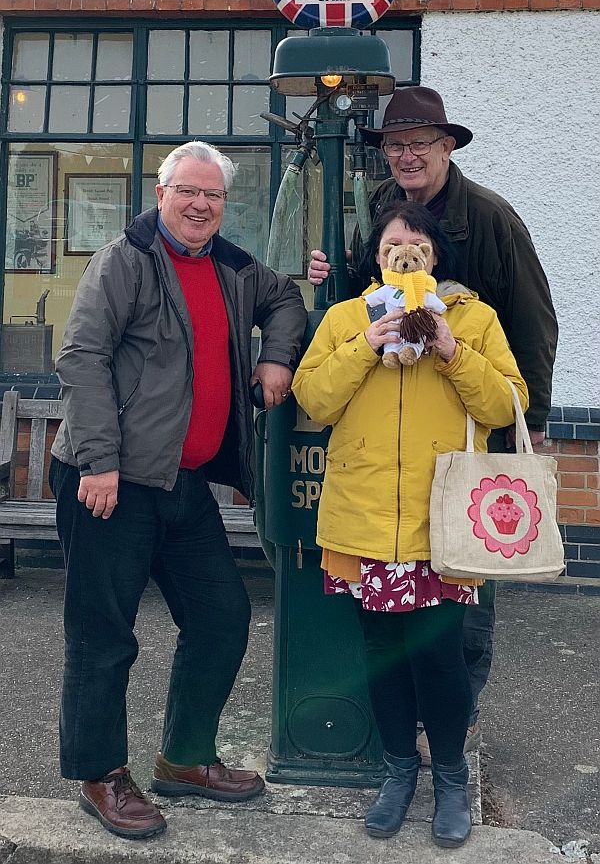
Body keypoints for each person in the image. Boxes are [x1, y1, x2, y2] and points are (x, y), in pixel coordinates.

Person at [49, 140, 307, 840]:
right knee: (104, 636)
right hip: (109, 480)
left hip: (181, 484)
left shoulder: (231, 266)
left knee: (222, 615)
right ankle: (100, 775)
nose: (199, 204)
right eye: (187, 191)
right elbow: (82, 355)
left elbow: (284, 296)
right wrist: (99, 459)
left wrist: (277, 354)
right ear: (161, 193)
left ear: (224, 204)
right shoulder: (125, 261)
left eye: (212, 195)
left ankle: (186, 758)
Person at [308, 86, 557, 761]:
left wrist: (524, 425)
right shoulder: (384, 219)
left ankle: (459, 722)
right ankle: (407, 730)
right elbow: (361, 307)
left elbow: (533, 324)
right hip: (389, 449)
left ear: (447, 147)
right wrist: (329, 275)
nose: (407, 155)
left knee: (467, 576)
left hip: (475, 427)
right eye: (395, 145)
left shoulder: (492, 219)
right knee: (395, 612)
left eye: (420, 143)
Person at [294, 200, 528, 848]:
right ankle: (399, 770)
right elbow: (313, 398)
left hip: (443, 520)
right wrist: (366, 345)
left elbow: (508, 402)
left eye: (416, 244)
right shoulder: (346, 317)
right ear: (377, 257)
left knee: (439, 655)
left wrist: (453, 350)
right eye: (392, 243)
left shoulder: (474, 317)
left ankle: (448, 775)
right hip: (363, 519)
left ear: (434, 256)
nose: (404, 252)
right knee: (381, 653)